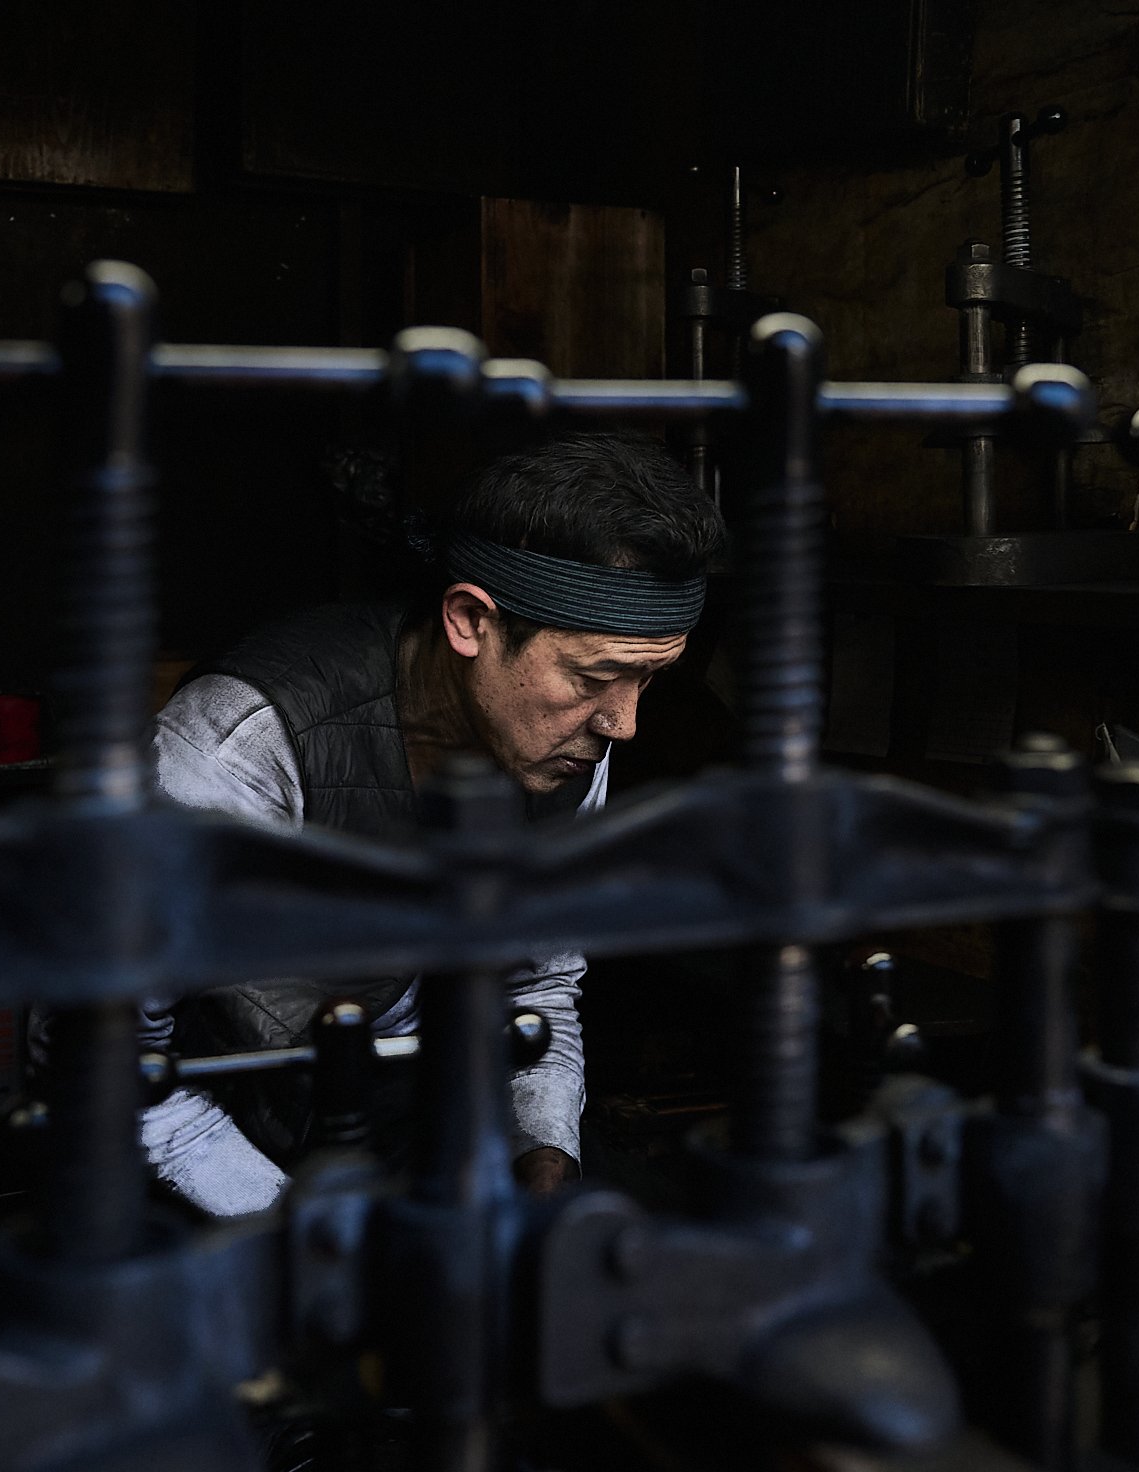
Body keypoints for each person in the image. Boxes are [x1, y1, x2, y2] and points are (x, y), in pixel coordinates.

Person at [138, 434, 725, 1216]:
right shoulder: (240, 749)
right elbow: (104, 1068)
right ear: (469, 621)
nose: (624, 725)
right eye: (596, 677)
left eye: (650, 677)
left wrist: (544, 1154)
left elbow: (539, 984)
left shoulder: (563, 743)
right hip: (213, 1145)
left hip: (418, 1129)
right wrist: (306, 1237)